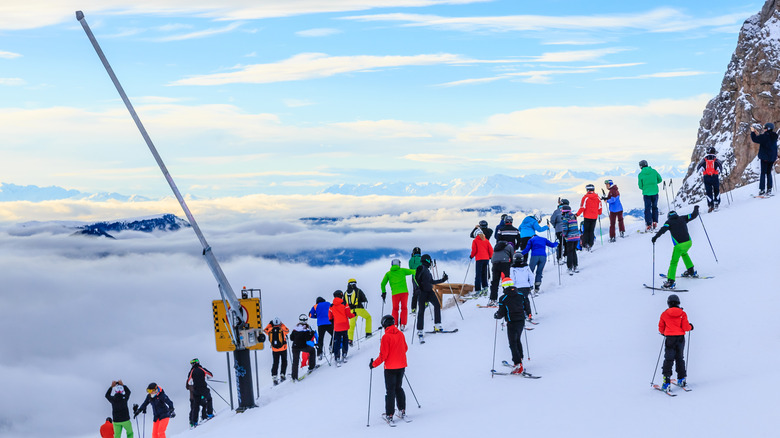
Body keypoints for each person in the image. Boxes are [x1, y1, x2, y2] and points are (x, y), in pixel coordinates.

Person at [369, 315, 409, 426]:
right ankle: (402, 410)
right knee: (399, 388)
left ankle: (390, 414)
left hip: (390, 368)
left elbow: (383, 355)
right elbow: (405, 348)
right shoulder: (400, 334)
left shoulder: (386, 337)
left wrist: (373, 364)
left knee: (390, 391)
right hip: (401, 366)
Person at [651, 206, 700, 290]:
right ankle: (691, 270)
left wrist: (655, 237)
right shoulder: (683, 218)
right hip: (688, 243)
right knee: (684, 253)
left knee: (674, 262)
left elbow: (662, 230)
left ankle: (670, 282)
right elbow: (694, 215)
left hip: (679, 245)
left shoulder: (669, 222)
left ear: (668, 216)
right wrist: (696, 208)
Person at [493, 277, 532, 375]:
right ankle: (520, 358)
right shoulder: (520, 295)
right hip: (521, 321)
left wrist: (497, 315)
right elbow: (526, 304)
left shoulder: (503, 298)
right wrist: (529, 313)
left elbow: (501, 312)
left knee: (512, 343)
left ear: (503, 286)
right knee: (517, 339)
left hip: (512, 322)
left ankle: (518, 363)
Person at [658, 294, 693, 391]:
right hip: (680, 338)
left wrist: (664, 333)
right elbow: (686, 327)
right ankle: (681, 379)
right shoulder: (683, 313)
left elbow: (661, 328)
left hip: (670, 339)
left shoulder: (664, 314)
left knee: (668, 359)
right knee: (679, 358)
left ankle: (666, 382)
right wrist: (691, 327)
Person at [415, 254, 448, 342]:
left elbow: (432, 281)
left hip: (429, 291)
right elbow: (416, 279)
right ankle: (420, 330)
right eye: (430, 260)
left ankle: (437, 325)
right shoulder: (421, 268)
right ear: (427, 260)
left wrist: (443, 280)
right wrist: (418, 288)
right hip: (422, 292)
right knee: (421, 310)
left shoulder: (427, 270)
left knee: (437, 305)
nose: (430, 262)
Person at [381, 259, 416, 331]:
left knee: (395, 309)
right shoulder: (402, 270)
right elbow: (413, 271)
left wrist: (384, 292)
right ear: (399, 264)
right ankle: (402, 324)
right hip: (404, 292)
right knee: (404, 308)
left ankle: (395, 324)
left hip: (395, 294)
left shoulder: (388, 274)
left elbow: (382, 284)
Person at [750, 122, 779, 196]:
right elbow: (764, 139)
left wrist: (753, 132)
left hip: (765, 157)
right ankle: (769, 189)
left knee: (763, 173)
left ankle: (762, 190)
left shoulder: (765, 136)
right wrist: (758, 134)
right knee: (769, 172)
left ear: (768, 128)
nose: (764, 129)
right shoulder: (774, 136)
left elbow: (755, 139)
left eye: (765, 128)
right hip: (772, 158)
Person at [186, 358, 214, 428]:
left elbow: (189, 382)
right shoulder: (202, 369)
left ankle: (195, 421)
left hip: (196, 390)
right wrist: (205, 378)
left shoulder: (191, 371)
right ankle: (210, 414)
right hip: (203, 388)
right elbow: (210, 375)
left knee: (196, 405)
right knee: (209, 399)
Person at [328, 291, 354, 366]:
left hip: (337, 326)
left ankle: (337, 357)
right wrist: (353, 315)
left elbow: (330, 317)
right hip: (344, 325)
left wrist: (332, 321)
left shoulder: (331, 306)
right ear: (341, 295)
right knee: (345, 339)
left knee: (337, 341)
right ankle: (344, 354)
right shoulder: (344, 304)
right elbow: (348, 314)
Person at [345, 279, 373, 345]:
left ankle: (350, 340)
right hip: (359, 309)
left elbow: (344, 303)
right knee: (368, 317)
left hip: (351, 310)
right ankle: (368, 333)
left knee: (351, 326)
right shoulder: (358, 290)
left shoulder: (345, 293)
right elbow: (364, 299)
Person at [638, 160, 663, 231]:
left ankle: (649, 224)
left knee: (647, 209)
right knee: (654, 207)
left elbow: (640, 186)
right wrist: (654, 184)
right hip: (655, 192)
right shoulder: (654, 171)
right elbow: (660, 180)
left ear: (641, 166)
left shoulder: (641, 174)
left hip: (646, 194)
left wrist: (646, 187)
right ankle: (655, 222)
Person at [264, 317, 289, 385]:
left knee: (275, 362)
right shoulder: (282, 329)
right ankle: (282, 374)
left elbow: (265, 330)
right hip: (283, 348)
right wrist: (282, 324)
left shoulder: (270, 330)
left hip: (274, 349)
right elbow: (287, 331)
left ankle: (274, 376)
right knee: (284, 361)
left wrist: (270, 324)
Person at [696, 147, 723, 212]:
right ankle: (716, 203)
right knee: (716, 190)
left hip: (706, 177)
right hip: (715, 177)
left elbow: (698, 169)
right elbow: (720, 169)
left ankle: (711, 205)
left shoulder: (704, 161)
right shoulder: (716, 160)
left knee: (709, 191)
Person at [576, 184, 602, 250]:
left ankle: (585, 244)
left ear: (587, 190)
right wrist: (599, 213)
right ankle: (591, 243)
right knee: (591, 230)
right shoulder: (597, 197)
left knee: (586, 231)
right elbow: (600, 207)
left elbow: (582, 207)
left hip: (587, 216)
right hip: (594, 217)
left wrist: (577, 214)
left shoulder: (585, 197)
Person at [488, 240, 513, 306]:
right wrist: (511, 264)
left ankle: (493, 300)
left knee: (495, 282)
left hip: (495, 264)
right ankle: (508, 298)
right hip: (505, 263)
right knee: (506, 281)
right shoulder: (509, 246)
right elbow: (512, 256)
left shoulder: (496, 246)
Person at [469, 229, 493, 294]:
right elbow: (491, 250)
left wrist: (471, 256)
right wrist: (490, 257)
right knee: (484, 274)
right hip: (486, 259)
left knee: (478, 275)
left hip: (479, 259)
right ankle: (485, 288)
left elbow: (474, 250)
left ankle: (478, 290)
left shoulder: (475, 241)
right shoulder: (486, 240)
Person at [561, 204, 581, 275]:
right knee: (573, 251)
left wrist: (563, 234)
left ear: (564, 211)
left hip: (570, 237)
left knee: (569, 252)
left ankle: (569, 267)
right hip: (576, 237)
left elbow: (565, 228)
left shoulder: (565, 218)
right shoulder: (574, 216)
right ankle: (575, 266)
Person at [549, 199, 569, 264]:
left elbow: (552, 220)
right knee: (566, 243)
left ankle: (559, 258)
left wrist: (555, 226)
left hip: (559, 230)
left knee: (560, 244)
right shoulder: (568, 210)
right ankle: (566, 256)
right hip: (567, 229)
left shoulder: (557, 211)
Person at [408, 247, 423, 314]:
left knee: (415, 292)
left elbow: (410, 267)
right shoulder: (422, 258)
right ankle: (424, 303)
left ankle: (413, 308)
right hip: (422, 276)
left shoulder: (411, 259)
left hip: (414, 277)